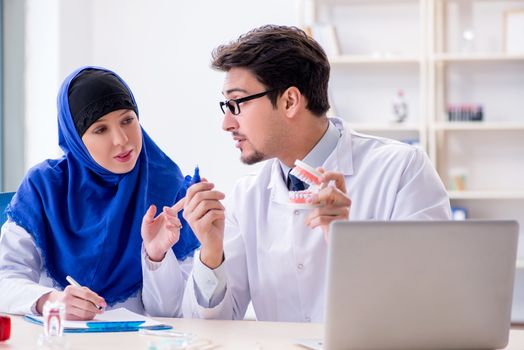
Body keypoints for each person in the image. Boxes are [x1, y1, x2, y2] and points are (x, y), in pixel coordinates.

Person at [181, 25, 451, 322]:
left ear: (290, 101)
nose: (227, 124)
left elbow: (430, 302)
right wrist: (211, 252)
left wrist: (349, 243)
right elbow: (214, 326)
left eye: (236, 104)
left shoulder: (402, 170)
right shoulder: (246, 197)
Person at [0, 66, 200, 320]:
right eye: (100, 129)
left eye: (128, 120)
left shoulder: (168, 189)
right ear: (76, 138)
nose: (121, 140)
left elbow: (169, 312)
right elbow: (5, 279)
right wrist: (51, 300)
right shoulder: (45, 187)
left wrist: (156, 256)